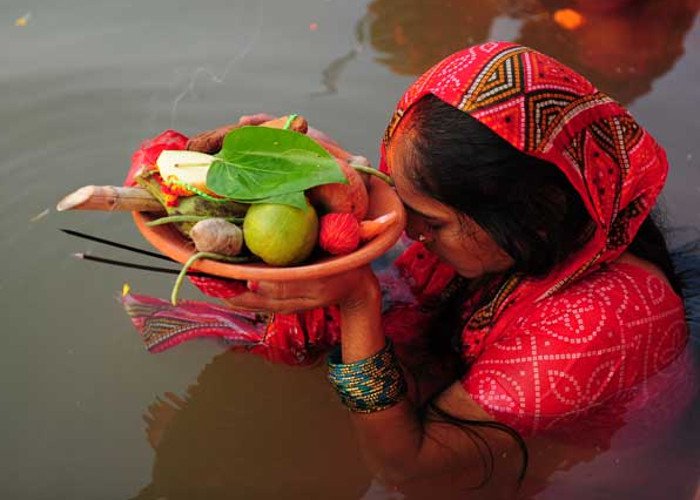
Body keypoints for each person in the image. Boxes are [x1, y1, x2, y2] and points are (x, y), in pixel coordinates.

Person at [123, 42, 691, 496]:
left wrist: (355, 302)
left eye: (429, 222)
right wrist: (323, 177)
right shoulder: (529, 233)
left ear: (527, 220)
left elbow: (410, 467)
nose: (407, 234)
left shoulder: (604, 320)